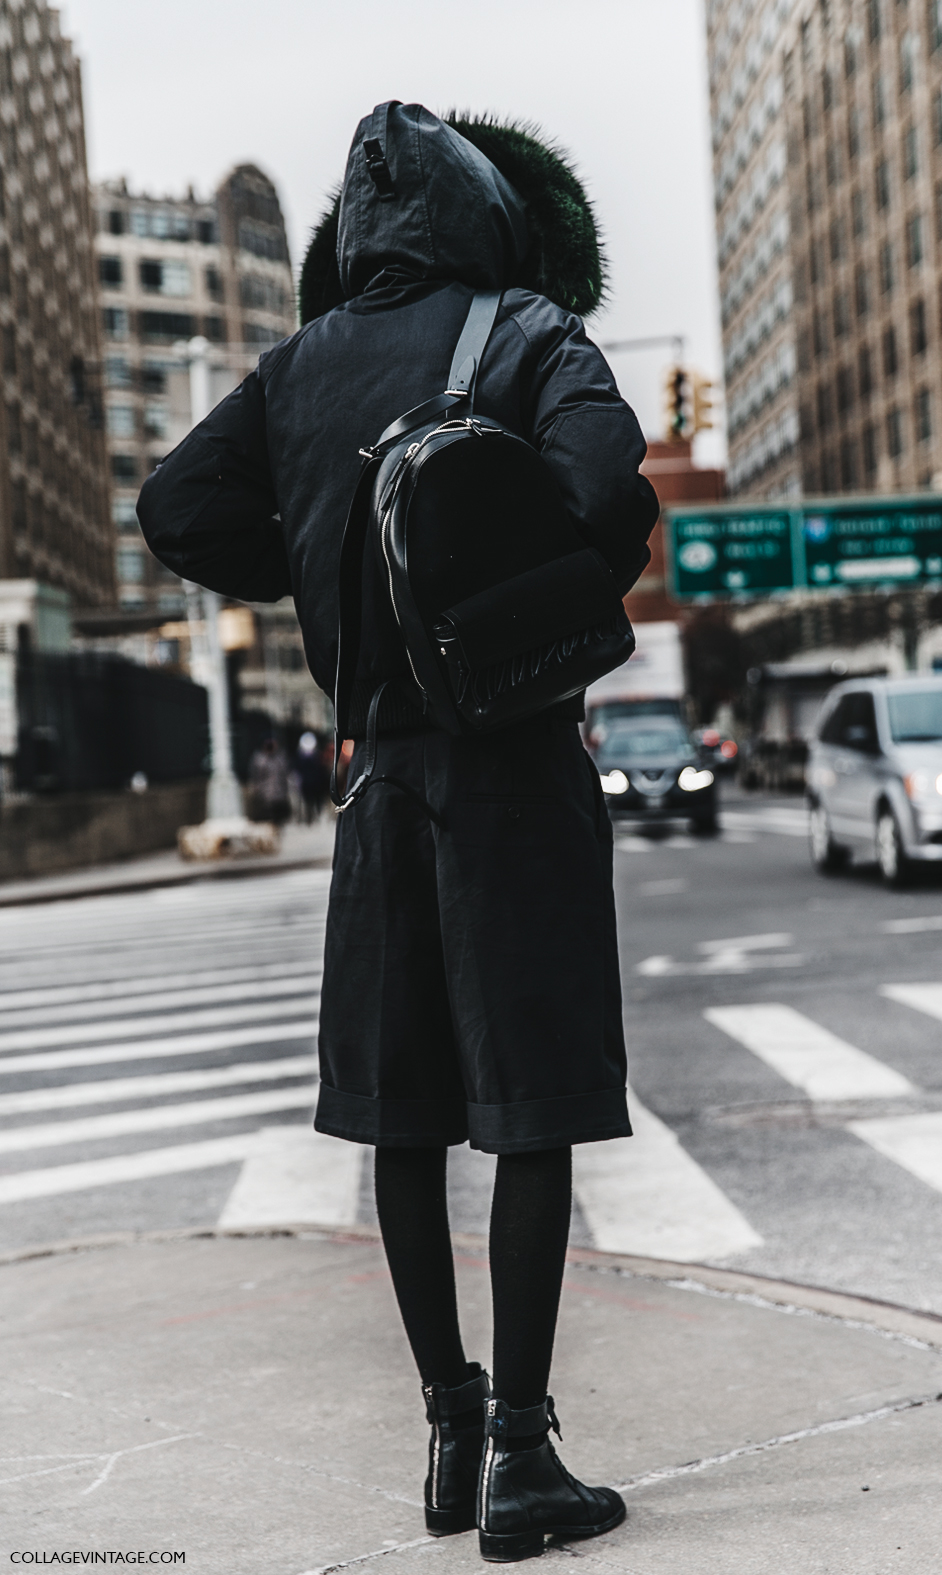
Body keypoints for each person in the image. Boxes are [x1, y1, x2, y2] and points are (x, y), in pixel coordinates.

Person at [138, 101, 658, 1563]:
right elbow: (603, 485)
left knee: (407, 1115)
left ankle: (446, 1422)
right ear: (487, 212)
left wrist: (324, 559)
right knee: (533, 1106)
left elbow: (173, 506)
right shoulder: (530, 328)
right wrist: (512, 574)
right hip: (512, 768)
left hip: (376, 786)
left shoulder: (292, 369)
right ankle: (521, 1454)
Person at [246, 735, 292, 825]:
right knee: (267, 821)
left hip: (279, 795)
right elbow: (255, 776)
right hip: (264, 796)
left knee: (279, 820)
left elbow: (285, 773)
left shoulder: (280, 758)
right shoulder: (259, 759)